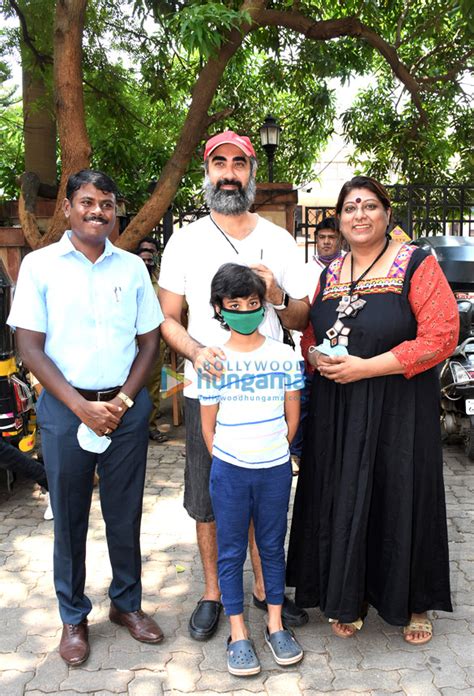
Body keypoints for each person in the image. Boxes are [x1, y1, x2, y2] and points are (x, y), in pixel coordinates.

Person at [286, 175, 458, 646]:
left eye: (369, 206)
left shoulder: (415, 263)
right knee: (345, 495)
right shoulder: (330, 271)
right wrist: (317, 357)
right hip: (338, 409)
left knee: (400, 492)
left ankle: (414, 601)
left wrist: (368, 368)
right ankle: (350, 595)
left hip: (398, 409)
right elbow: (312, 336)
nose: (359, 214)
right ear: (339, 221)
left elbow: (443, 334)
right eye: (349, 208)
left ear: (386, 214)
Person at [8, 169, 164, 666]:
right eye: (88, 202)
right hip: (64, 409)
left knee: (125, 512)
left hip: (125, 408)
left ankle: (127, 605)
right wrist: (81, 407)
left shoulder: (132, 269)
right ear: (69, 209)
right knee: (70, 516)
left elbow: (149, 343)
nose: (98, 211)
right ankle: (73, 616)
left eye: (107, 204)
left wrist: (119, 403)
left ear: (115, 211)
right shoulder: (40, 265)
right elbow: (28, 347)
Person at [159, 130, 310, 641]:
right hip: (213, 388)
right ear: (207, 172)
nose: (229, 172)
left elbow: (302, 313)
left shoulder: (279, 239)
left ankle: (268, 591)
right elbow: (168, 319)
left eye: (238, 164)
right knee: (208, 497)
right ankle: (212, 594)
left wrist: (276, 292)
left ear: (250, 173)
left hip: (268, 390)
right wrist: (198, 352)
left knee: (264, 496)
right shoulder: (186, 240)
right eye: (219, 162)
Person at [199, 263, 304, 675]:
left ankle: (274, 624)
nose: (245, 309)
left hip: (275, 469)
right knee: (230, 551)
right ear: (220, 309)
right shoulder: (212, 359)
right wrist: (230, 457)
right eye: (235, 304)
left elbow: (292, 413)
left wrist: (276, 449)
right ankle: (238, 631)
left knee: (272, 547)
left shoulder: (283, 355)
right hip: (229, 470)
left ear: (264, 306)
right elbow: (208, 426)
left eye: (253, 302)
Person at [290, 217, 344, 465]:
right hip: (308, 345)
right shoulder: (304, 270)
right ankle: (298, 452)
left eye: (331, 238)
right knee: (303, 402)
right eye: (321, 238)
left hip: (341, 346)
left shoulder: (350, 267)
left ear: (339, 240)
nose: (325, 242)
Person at [136, 236, 168, 443]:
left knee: (154, 387)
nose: (147, 261)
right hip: (132, 344)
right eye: (143, 253)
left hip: (156, 342)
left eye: (151, 256)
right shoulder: (129, 277)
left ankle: (150, 426)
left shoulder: (161, 281)